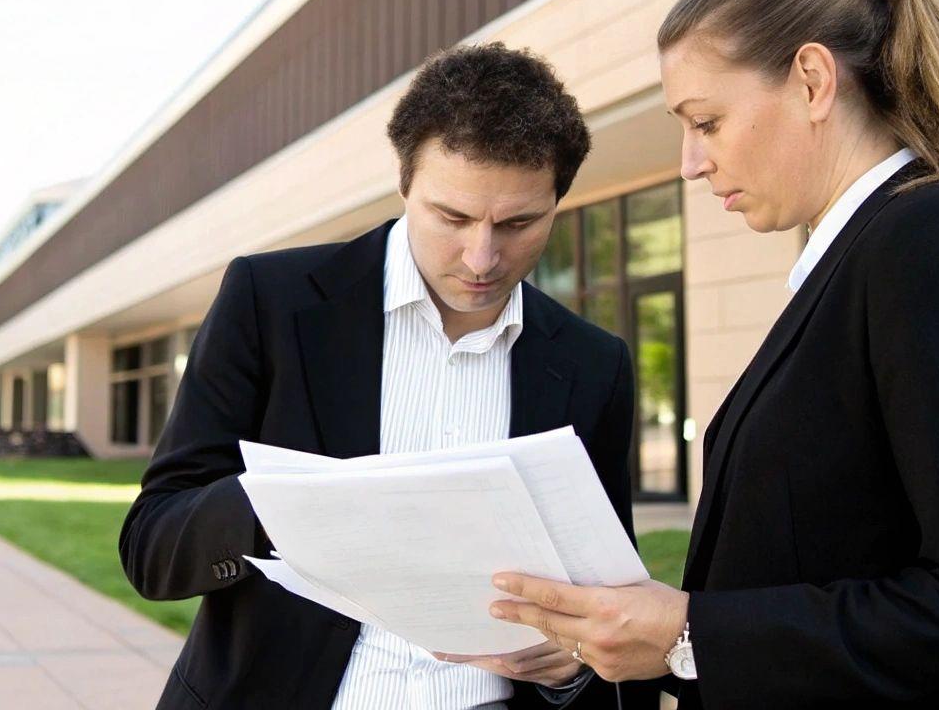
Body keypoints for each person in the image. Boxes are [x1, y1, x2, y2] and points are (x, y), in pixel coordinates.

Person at [489, 0, 939, 708]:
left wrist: (688, 633)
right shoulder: (858, 258)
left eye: (707, 121)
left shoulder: (932, 243)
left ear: (812, 80)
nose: (691, 163)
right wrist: (649, 635)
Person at [120, 42, 651, 710]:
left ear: (557, 202)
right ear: (405, 185)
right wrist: (286, 503)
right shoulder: (271, 301)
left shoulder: (593, 364)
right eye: (452, 217)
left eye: (518, 223)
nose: (482, 256)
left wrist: (571, 664)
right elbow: (152, 545)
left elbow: (612, 604)